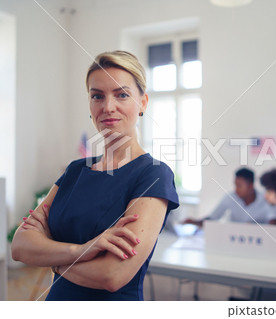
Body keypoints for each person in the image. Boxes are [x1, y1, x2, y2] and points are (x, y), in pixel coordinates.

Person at [11, 50, 179, 301]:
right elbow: (20, 246)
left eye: (122, 94)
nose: (108, 107)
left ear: (143, 103)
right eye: (97, 96)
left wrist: (50, 258)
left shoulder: (153, 174)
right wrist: (82, 250)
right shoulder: (75, 171)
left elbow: (112, 275)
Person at [184, 168, 276, 227]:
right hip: (234, 242)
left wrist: (255, 227)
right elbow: (213, 218)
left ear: (251, 186)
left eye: (239, 186)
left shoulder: (266, 199)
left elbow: (275, 222)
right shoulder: (230, 197)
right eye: (235, 185)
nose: (236, 189)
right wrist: (195, 222)